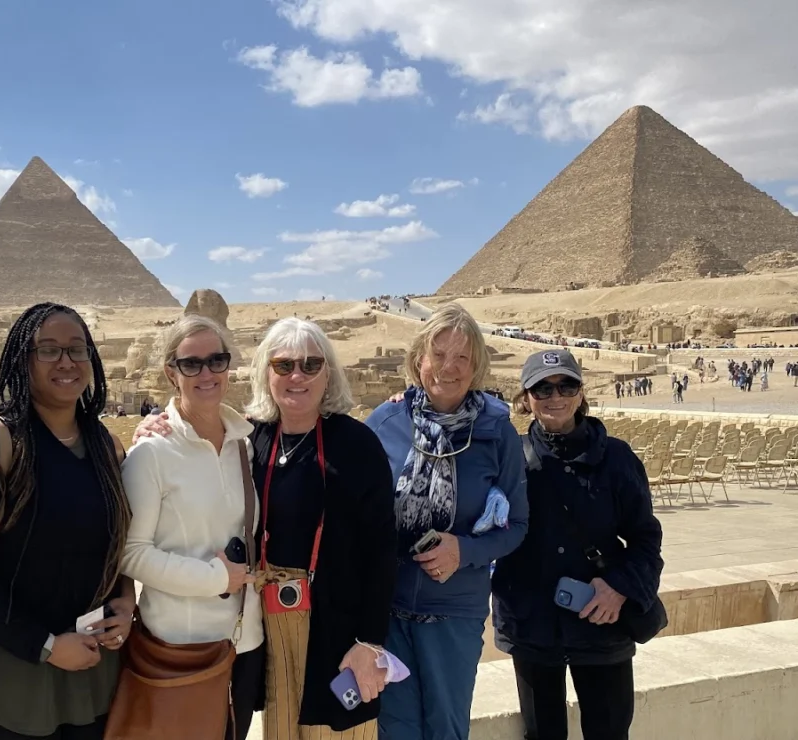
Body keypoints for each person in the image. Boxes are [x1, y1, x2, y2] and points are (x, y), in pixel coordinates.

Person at [134, 317, 398, 739]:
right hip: (267, 627)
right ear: (265, 373)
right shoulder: (251, 439)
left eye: (311, 365)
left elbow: (382, 550)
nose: (297, 376)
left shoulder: (357, 444)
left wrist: (369, 641)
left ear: (328, 373)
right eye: (283, 365)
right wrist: (152, 430)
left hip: (336, 625)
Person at [0, 302, 134, 740]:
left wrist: (126, 599)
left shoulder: (105, 445)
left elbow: (115, 541)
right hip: (11, 680)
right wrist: (43, 645)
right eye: (48, 349)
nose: (66, 362)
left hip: (93, 674)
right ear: (22, 359)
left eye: (77, 349)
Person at [367, 303, 528, 740]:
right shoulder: (385, 422)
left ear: (476, 367)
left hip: (455, 613)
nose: (448, 368)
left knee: (446, 730)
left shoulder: (497, 432)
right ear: (419, 358)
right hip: (390, 612)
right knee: (395, 732)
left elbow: (516, 525)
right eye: (438, 355)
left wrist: (466, 551)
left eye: (462, 357)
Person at [492, 350, 663, 740]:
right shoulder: (509, 458)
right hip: (533, 625)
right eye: (542, 387)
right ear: (525, 397)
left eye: (566, 384)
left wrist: (619, 587)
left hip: (603, 623)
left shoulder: (616, 458)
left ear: (581, 392)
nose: (555, 396)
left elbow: (645, 538)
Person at [120, 315, 263, 740]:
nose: (206, 373)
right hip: (182, 648)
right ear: (171, 372)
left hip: (245, 639)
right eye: (191, 364)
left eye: (216, 360)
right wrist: (215, 578)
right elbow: (131, 552)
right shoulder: (152, 454)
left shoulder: (245, 444)